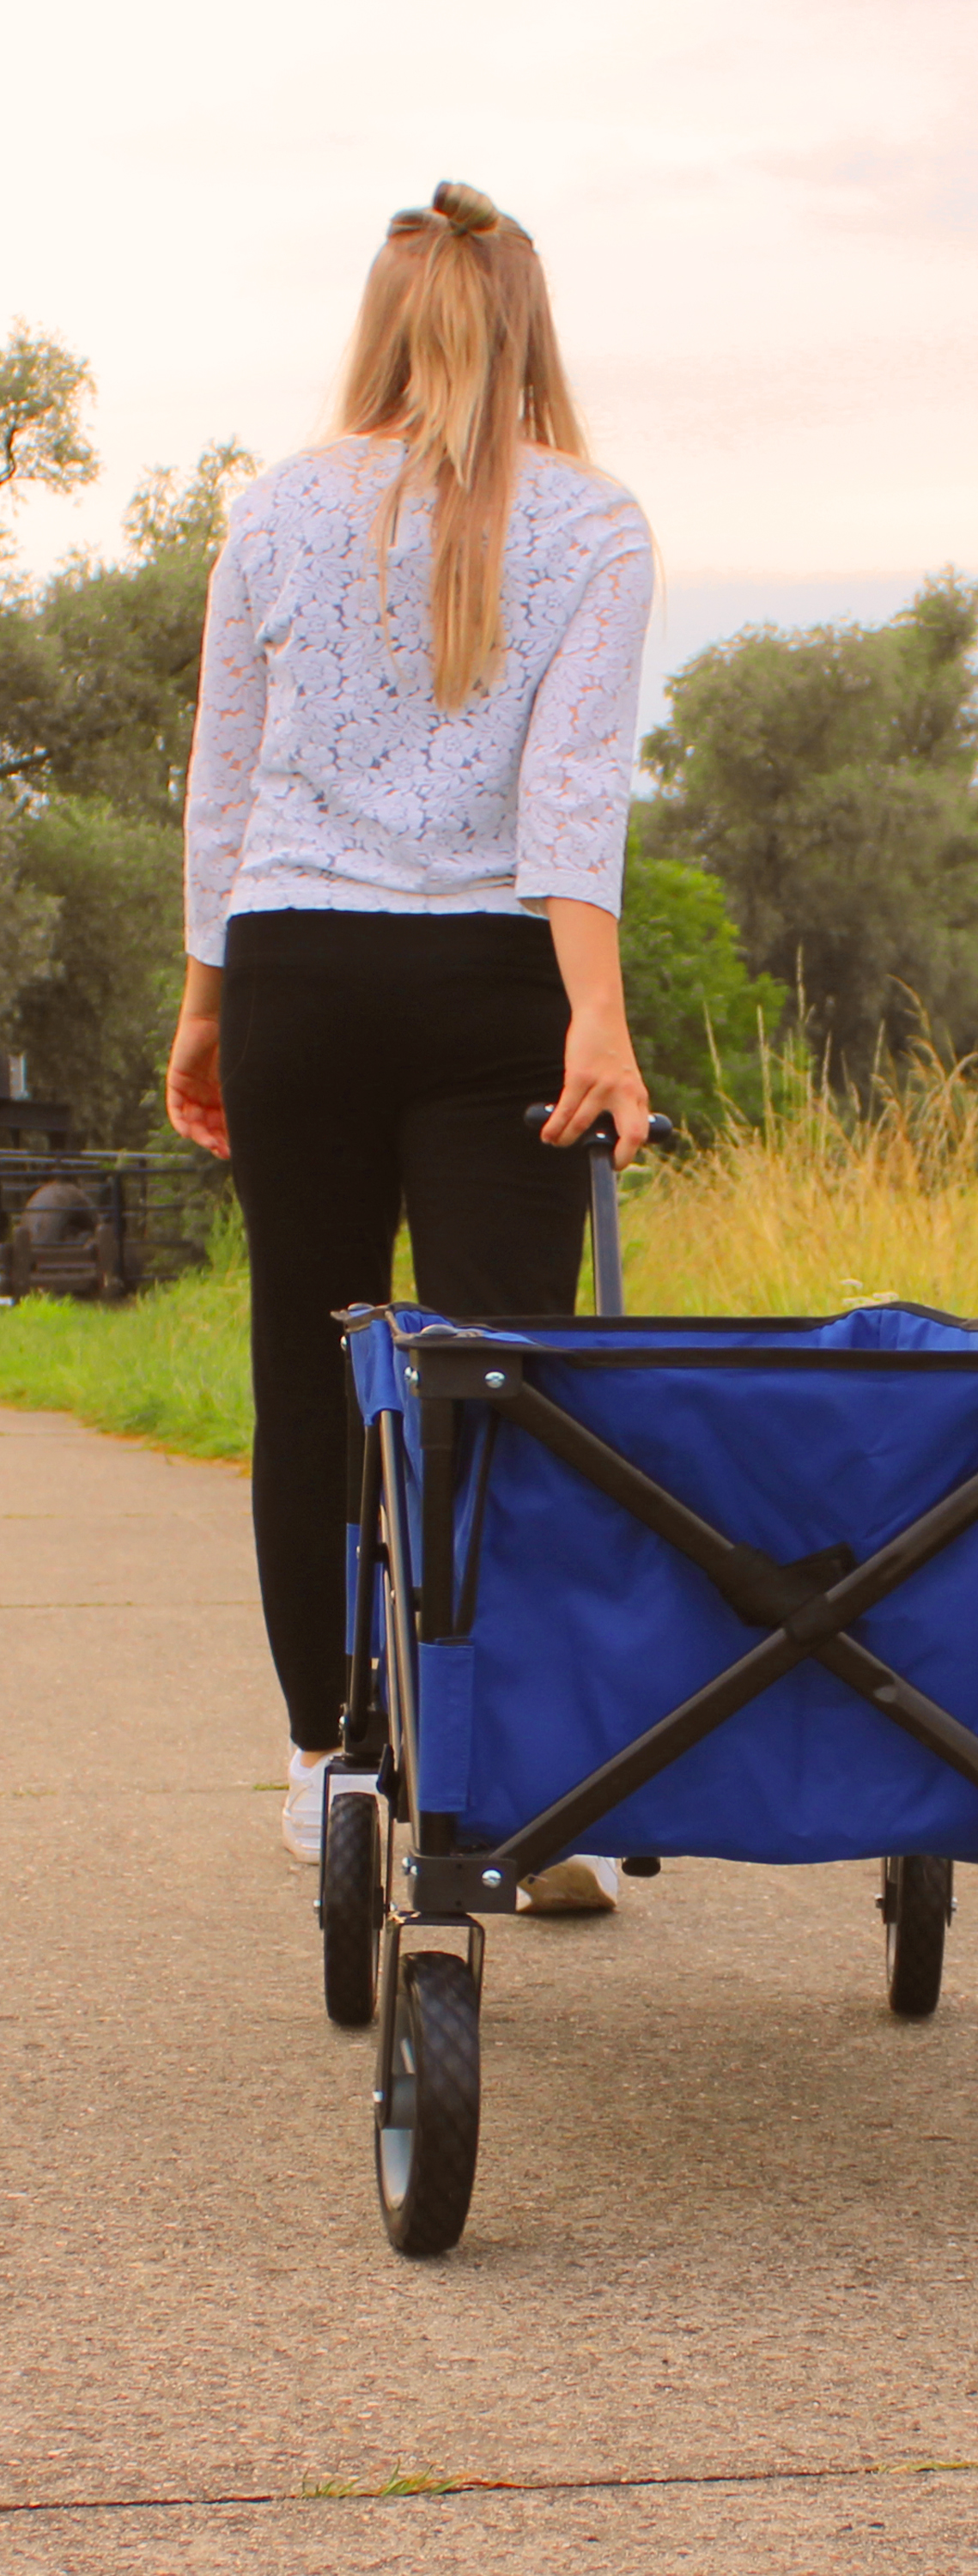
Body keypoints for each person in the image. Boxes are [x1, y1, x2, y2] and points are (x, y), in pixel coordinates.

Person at [166, 180, 653, 1912]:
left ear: (380, 326)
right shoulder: (595, 523)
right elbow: (573, 796)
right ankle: (521, 1788)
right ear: (529, 327)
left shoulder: (275, 514)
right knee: (501, 1376)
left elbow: (227, 775)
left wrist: (209, 1002)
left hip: (299, 969)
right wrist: (598, 1017)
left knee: (311, 1362)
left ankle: (330, 1770)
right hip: (494, 986)